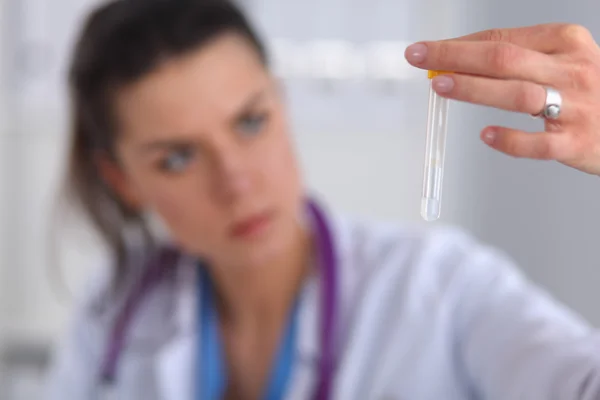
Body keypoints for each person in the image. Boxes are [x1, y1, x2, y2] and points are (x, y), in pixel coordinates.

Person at [44, 0, 600, 399]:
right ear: (122, 180)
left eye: (251, 121)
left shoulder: (443, 287)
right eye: (178, 158)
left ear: (282, 103)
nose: (235, 180)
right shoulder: (116, 306)